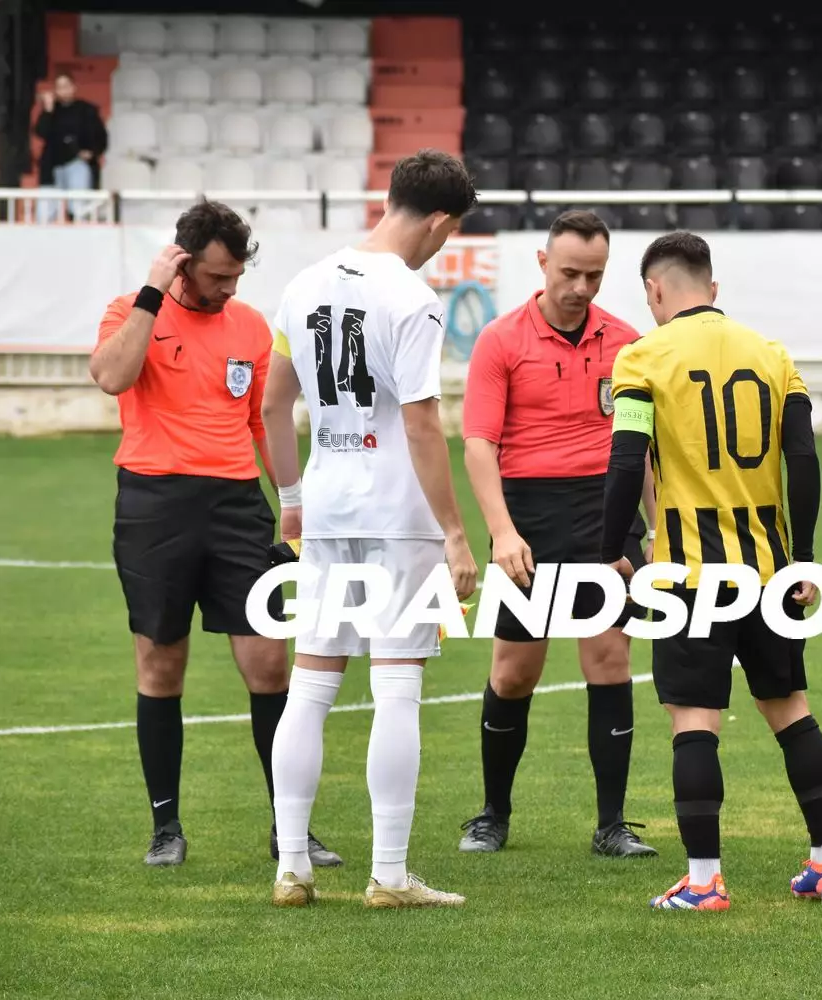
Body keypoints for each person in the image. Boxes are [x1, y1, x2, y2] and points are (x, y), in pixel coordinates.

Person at [90, 199, 340, 871]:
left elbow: (264, 420)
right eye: (217, 276)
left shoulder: (250, 325)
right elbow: (111, 377)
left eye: (236, 276)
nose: (229, 288)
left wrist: (292, 501)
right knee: (160, 666)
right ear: (182, 263)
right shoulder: (130, 311)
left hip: (236, 507)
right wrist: (152, 294)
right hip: (154, 505)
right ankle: (165, 828)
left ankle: (291, 830)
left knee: (270, 667)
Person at [601, 231, 822, 911]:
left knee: (694, 720)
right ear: (712, 288)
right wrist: (802, 557)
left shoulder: (641, 357)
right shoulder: (773, 354)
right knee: (790, 708)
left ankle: (705, 880)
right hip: (768, 571)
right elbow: (803, 460)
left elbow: (626, 461)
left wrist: (610, 549)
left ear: (654, 290)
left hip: (689, 577)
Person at [260, 149, 480, 909]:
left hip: (326, 505)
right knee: (397, 687)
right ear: (441, 221)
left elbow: (273, 403)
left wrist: (292, 496)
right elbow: (421, 422)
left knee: (311, 684)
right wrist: (455, 532)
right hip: (398, 513)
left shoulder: (303, 283)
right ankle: (388, 875)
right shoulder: (413, 298)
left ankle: (292, 867)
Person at [456, 209, 659, 859]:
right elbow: (479, 445)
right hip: (529, 516)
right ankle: (492, 814)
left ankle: (612, 824)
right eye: (570, 272)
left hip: (606, 513)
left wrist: (655, 529)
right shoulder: (501, 340)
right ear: (543, 263)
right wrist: (502, 532)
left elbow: (642, 450)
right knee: (514, 672)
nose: (581, 287)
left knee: (609, 660)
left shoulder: (627, 343)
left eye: (594, 275)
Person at [33, 74, 107, 224]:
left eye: (66, 86)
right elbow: (40, 132)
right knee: (44, 213)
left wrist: (91, 152)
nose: (63, 91)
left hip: (77, 162)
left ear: (74, 87)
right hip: (52, 165)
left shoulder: (86, 110)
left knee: (79, 209)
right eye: (59, 87)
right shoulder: (52, 110)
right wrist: (48, 110)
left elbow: (101, 137)